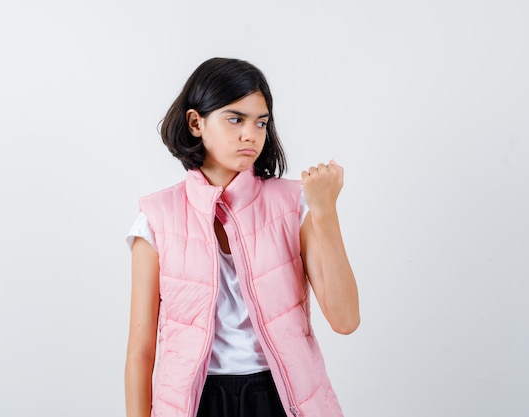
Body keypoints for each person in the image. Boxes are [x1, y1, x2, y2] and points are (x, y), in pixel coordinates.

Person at [125, 57, 359, 417]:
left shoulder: (293, 204)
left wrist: (325, 211)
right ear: (195, 122)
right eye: (236, 119)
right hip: (196, 402)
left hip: (280, 397)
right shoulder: (157, 218)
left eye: (260, 122)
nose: (251, 134)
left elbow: (345, 320)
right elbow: (141, 351)